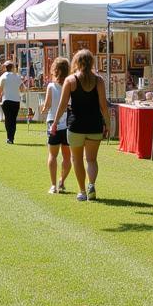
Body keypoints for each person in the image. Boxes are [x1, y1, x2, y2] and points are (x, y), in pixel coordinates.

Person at [52, 49, 110, 201]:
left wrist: (55, 122)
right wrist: (108, 125)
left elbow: (63, 105)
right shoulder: (99, 81)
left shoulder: (70, 80)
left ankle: (82, 191)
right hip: (94, 125)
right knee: (91, 160)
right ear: (92, 62)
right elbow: (104, 106)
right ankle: (91, 184)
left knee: (76, 159)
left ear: (76, 62)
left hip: (75, 125)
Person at [41, 56, 72, 193]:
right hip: (67, 123)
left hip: (52, 121)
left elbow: (47, 105)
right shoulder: (71, 85)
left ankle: (53, 185)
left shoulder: (51, 86)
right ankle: (62, 181)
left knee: (52, 155)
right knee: (67, 156)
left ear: (54, 70)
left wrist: (42, 109)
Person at [0, 60, 23, 144]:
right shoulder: (18, 77)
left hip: (6, 100)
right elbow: (22, 88)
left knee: (8, 119)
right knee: (13, 119)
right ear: (12, 68)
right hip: (16, 100)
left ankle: (9, 137)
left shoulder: (3, 77)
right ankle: (11, 137)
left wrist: (0, 98)